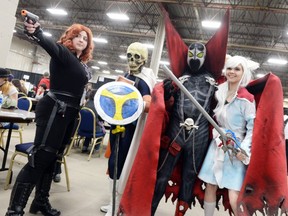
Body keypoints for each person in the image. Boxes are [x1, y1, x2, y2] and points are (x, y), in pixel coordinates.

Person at [5, 16, 94, 216]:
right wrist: (36, 31)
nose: (81, 40)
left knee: (53, 158)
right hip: (56, 109)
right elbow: (50, 45)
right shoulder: (63, 53)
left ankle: (40, 202)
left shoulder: (81, 64)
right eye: (77, 36)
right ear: (69, 38)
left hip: (69, 112)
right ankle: (14, 210)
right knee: (41, 156)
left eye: (85, 38)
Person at [101, 42, 156, 216]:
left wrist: (133, 100)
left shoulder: (142, 81)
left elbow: (148, 105)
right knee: (113, 164)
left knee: (122, 165)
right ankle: (113, 202)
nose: (132, 60)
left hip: (129, 130)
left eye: (136, 57)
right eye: (129, 56)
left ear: (144, 59)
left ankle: (118, 205)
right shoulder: (126, 76)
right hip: (117, 126)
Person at [198, 55, 257, 216]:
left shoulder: (247, 100)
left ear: (243, 73)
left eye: (237, 69)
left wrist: (244, 149)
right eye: (229, 68)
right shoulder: (219, 92)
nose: (232, 72)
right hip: (217, 144)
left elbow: (252, 128)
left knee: (234, 194)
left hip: (236, 148)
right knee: (210, 185)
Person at [81, 89, 105, 153]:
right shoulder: (98, 106)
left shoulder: (86, 103)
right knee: (102, 131)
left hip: (82, 129)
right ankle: (95, 148)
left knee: (90, 126)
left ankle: (85, 146)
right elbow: (99, 119)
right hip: (93, 129)